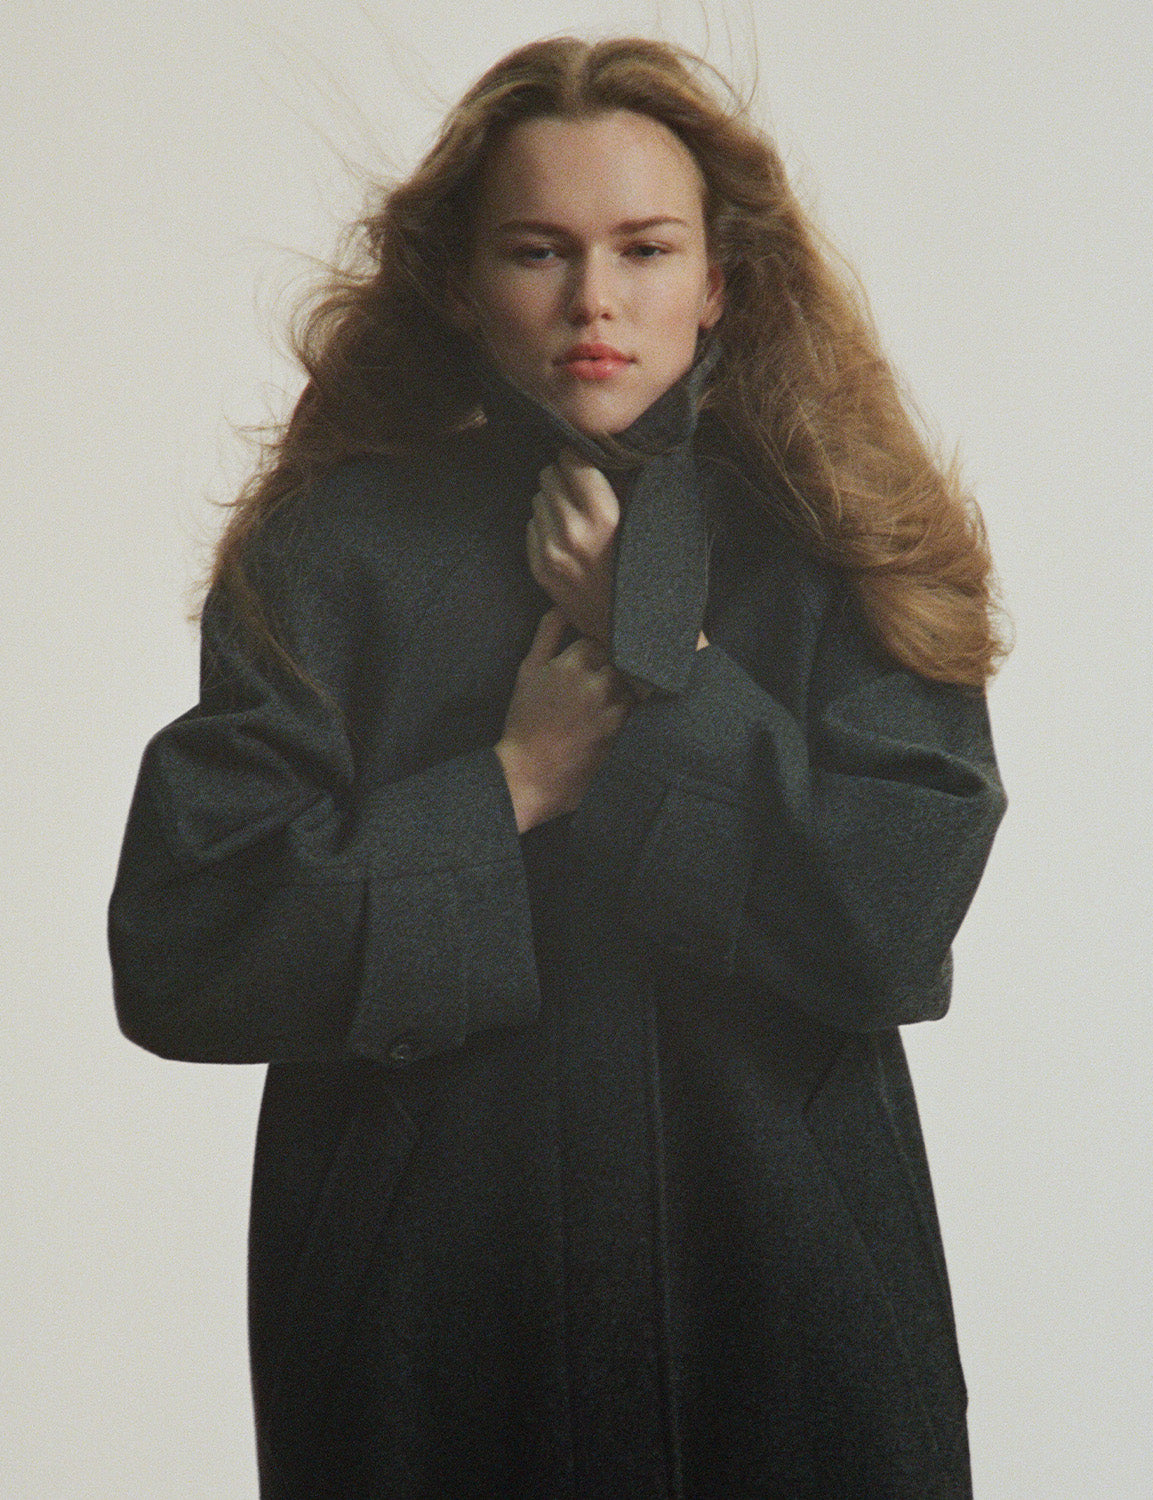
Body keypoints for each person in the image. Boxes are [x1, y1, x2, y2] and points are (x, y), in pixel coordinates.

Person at [110, 35, 1007, 1500]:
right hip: (431, 1335)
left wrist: (663, 664)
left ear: (718, 280)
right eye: (538, 251)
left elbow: (890, 923)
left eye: (645, 249)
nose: (595, 298)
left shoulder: (845, 544)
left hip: (788, 1312)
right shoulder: (335, 553)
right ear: (460, 283)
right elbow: (188, 943)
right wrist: (510, 785)